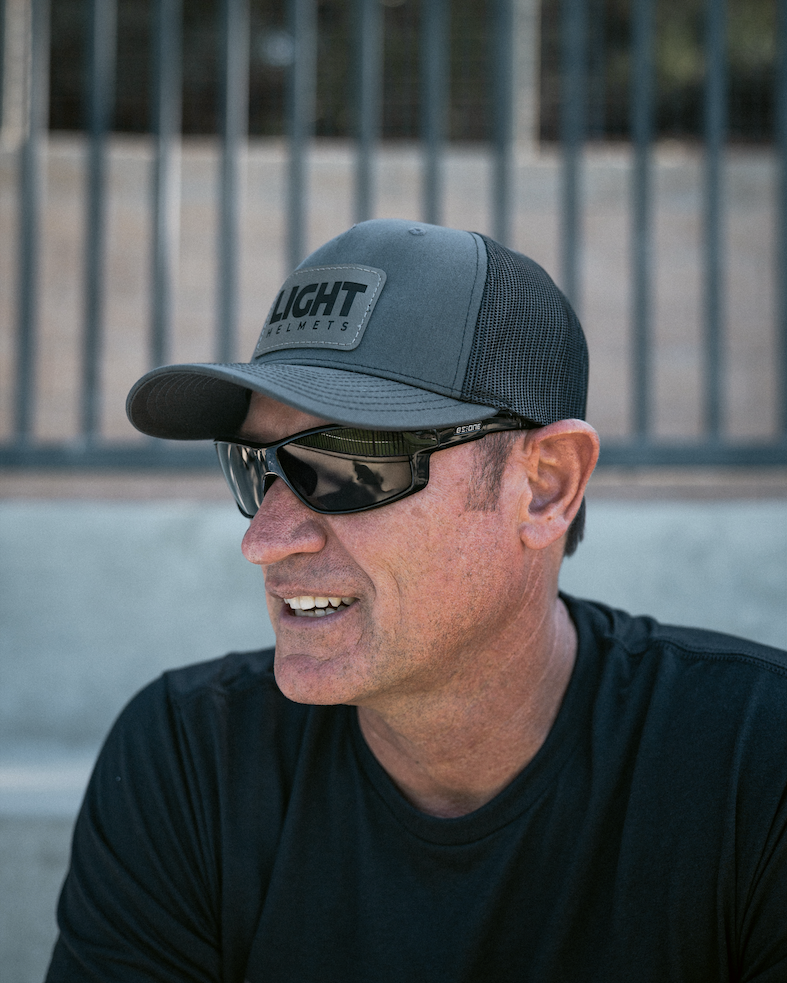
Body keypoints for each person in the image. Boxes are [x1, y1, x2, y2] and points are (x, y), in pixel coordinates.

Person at [47, 220, 786, 982]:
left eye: (346, 467)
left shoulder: (754, 768)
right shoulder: (188, 759)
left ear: (545, 485)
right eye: (256, 467)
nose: (265, 539)